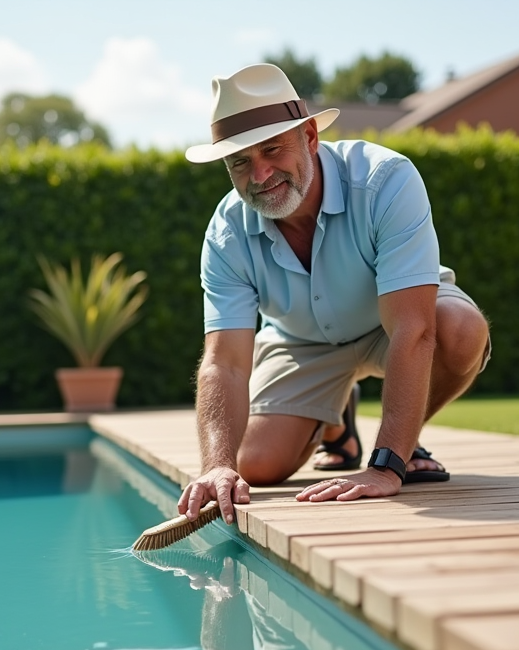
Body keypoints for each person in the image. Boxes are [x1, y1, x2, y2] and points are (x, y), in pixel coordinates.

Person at [177, 63, 491, 525]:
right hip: (301, 341)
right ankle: (337, 421)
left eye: (271, 149)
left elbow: (414, 328)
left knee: (461, 331)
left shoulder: (387, 180)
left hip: (396, 324)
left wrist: (386, 467)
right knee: (257, 464)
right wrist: (216, 465)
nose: (260, 174)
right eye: (240, 161)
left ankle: (404, 444)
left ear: (309, 136)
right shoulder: (226, 233)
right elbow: (225, 362)